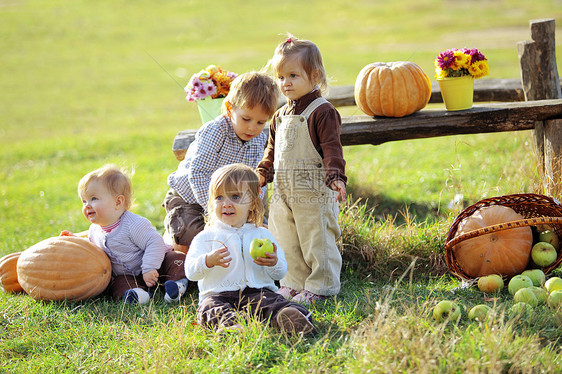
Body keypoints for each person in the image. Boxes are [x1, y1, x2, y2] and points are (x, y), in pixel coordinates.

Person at [256, 34, 347, 304]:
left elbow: (332, 148)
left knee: (316, 239)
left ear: (315, 75)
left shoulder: (322, 111)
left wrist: (336, 177)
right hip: (284, 192)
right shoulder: (280, 115)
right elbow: (271, 150)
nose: (285, 83)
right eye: (281, 77)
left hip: (313, 192)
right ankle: (293, 284)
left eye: (293, 76)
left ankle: (321, 286)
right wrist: (263, 173)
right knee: (287, 240)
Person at [184, 164, 314, 335]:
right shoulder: (206, 237)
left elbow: (280, 273)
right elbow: (190, 272)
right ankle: (230, 327)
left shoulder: (262, 234)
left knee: (275, 302)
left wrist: (273, 262)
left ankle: (288, 318)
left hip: (257, 293)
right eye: (219, 197)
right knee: (210, 309)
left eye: (235, 197)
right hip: (218, 295)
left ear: (252, 203)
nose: (226, 204)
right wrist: (207, 261)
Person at [164, 71, 280, 254]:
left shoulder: (258, 141)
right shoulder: (216, 131)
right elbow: (198, 173)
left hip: (229, 202)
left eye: (260, 122)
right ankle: (173, 246)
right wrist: (215, 214)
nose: (252, 127)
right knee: (195, 235)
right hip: (190, 198)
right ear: (229, 109)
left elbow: (255, 180)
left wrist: (251, 210)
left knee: (262, 231)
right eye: (246, 119)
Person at [77, 164, 188, 304]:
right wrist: (73, 240)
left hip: (158, 264)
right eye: (84, 201)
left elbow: (155, 242)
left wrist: (149, 267)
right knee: (118, 283)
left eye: (93, 199)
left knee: (176, 259)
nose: (87, 205)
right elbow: (91, 249)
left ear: (118, 202)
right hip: (129, 275)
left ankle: (176, 285)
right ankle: (138, 295)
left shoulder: (133, 224)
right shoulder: (94, 230)